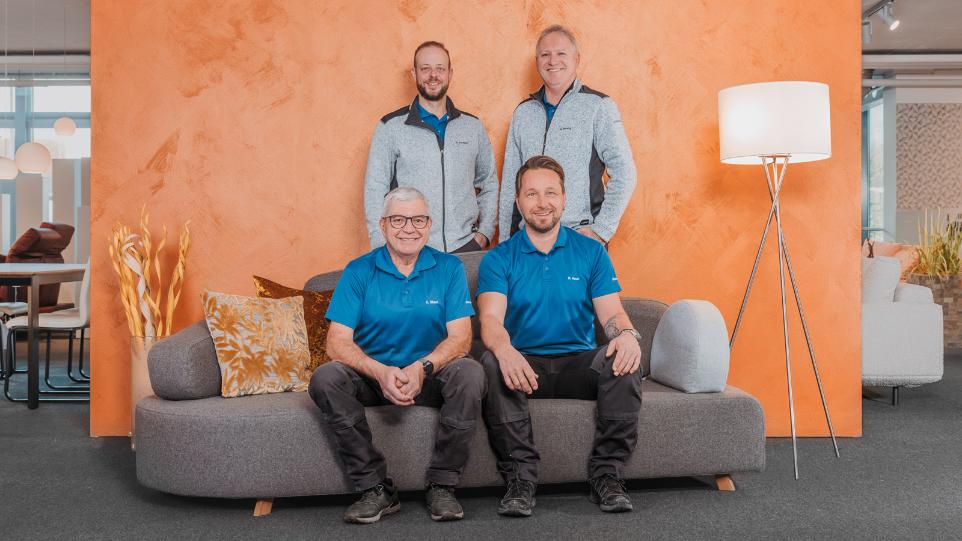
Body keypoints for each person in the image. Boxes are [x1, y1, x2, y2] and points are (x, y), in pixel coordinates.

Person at [478, 156, 643, 517]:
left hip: (577, 365)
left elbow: (612, 315)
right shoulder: (498, 258)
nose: (542, 203)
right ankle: (520, 480)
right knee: (491, 361)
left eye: (550, 193)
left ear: (565, 198)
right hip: (524, 368)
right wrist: (505, 349)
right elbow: (490, 319)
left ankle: (607, 476)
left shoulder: (591, 252)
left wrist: (627, 335)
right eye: (532, 194)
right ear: (518, 201)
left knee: (624, 358)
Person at [310, 187, 485, 523]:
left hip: (431, 375)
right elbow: (337, 343)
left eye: (418, 220)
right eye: (398, 220)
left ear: (429, 224)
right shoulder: (359, 271)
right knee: (326, 377)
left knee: (471, 372)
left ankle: (442, 485)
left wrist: (422, 367)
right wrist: (380, 371)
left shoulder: (449, 268)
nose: (409, 228)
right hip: (373, 377)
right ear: (383, 225)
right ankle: (375, 489)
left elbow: (462, 338)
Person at [499, 25, 636, 245]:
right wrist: (506, 243)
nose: (553, 61)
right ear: (537, 61)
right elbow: (510, 185)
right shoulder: (523, 113)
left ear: (576, 59)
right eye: (545, 54)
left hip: (579, 239)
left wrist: (601, 231)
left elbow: (625, 172)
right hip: (528, 240)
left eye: (561, 53)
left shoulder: (598, 106)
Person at [364, 40, 499, 253]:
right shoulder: (390, 127)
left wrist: (484, 233)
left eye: (440, 69)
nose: (433, 75)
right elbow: (375, 189)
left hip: (466, 248)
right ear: (414, 74)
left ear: (450, 74)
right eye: (425, 68)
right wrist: (382, 247)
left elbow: (488, 182)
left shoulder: (472, 127)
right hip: (411, 249)